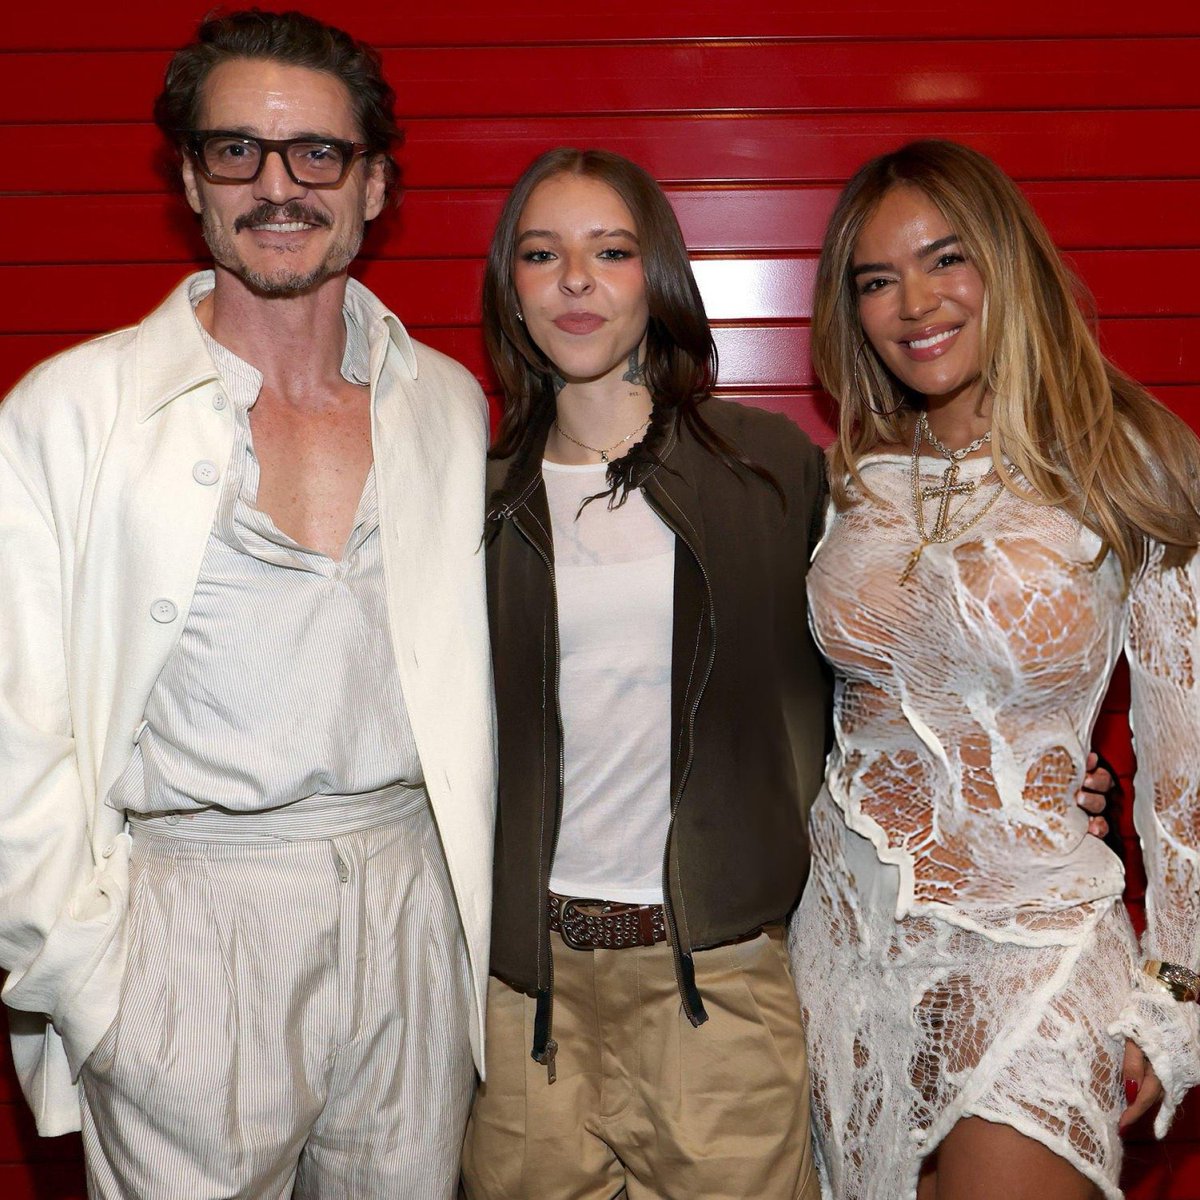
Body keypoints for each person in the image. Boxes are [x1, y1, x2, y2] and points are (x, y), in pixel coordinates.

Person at [459, 146, 1114, 1199]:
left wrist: (1040, 763)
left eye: (611, 251)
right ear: (511, 288)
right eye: (542, 254)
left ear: (658, 276)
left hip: (719, 985)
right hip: (521, 997)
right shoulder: (466, 491)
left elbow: (896, 646)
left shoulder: (772, 472)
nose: (576, 280)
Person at [0, 11, 493, 1198]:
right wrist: (91, 982)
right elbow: (12, 736)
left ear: (374, 184)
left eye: (318, 153)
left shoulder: (446, 405)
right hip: (186, 930)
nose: (279, 187)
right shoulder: (69, 414)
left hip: (415, 909)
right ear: (192, 180)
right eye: (237, 152)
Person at [789, 138, 1200, 1200]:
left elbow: (1186, 765)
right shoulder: (851, 479)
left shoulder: (1129, 466)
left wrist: (1180, 992)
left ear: (1006, 263)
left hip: (1034, 946)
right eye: (876, 280)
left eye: (946, 259)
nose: (914, 303)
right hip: (844, 944)